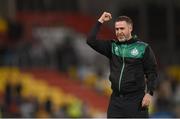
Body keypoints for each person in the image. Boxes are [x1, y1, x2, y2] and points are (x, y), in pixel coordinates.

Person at [87, 12, 158, 118]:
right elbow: (90, 40)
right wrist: (100, 21)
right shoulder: (112, 47)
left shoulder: (143, 48)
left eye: (122, 28)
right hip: (116, 101)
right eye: (117, 29)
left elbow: (152, 72)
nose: (119, 32)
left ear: (130, 28)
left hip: (136, 101)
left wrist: (149, 93)